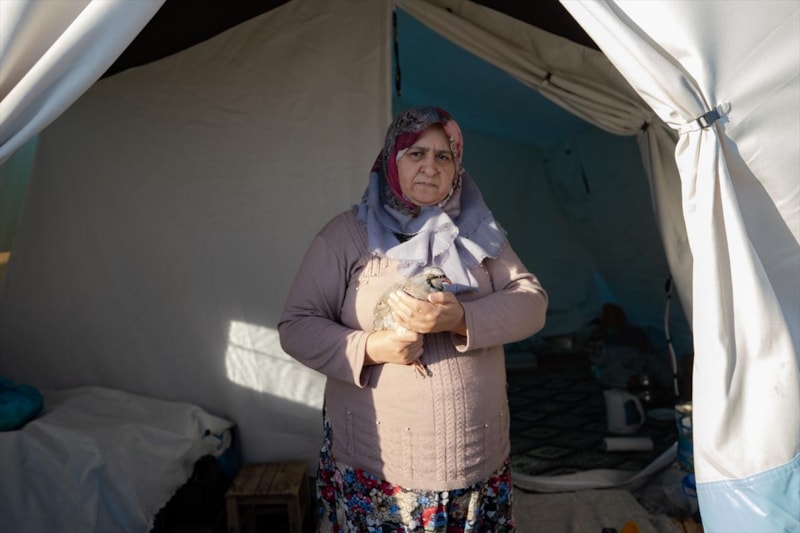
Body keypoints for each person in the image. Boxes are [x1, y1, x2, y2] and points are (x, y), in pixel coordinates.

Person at [279, 106, 547, 532]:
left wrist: (461, 317)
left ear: (457, 166)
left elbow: (532, 303)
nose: (430, 167)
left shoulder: (479, 233)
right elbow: (296, 326)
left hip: (477, 461)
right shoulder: (347, 236)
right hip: (380, 471)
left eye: (444, 156)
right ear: (392, 159)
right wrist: (371, 347)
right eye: (416, 153)